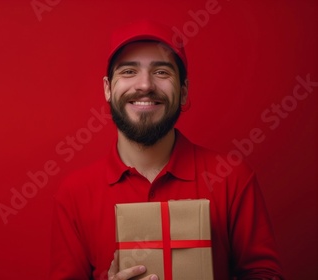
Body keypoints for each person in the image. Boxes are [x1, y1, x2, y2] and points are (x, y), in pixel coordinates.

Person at [49, 19, 284, 280]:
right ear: (107, 88)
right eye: (128, 71)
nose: (145, 85)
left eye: (161, 72)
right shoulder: (74, 194)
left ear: (183, 91)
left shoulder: (232, 178)